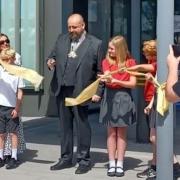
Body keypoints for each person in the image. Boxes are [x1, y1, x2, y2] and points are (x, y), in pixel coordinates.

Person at [47, 13, 103, 174]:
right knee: (64, 127)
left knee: (82, 125)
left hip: (81, 91)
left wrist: (98, 91)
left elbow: (100, 72)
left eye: (74, 27)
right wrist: (50, 62)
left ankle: (84, 160)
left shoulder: (95, 44)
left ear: (83, 26)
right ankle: (65, 158)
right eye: (69, 27)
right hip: (62, 90)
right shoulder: (61, 39)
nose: (71, 30)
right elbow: (51, 57)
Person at [128, 40, 180, 179]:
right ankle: (156, 165)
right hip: (153, 101)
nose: (145, 55)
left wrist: (130, 68)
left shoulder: (159, 65)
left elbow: (148, 71)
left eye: (146, 53)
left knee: (156, 137)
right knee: (154, 138)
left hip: (159, 101)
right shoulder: (156, 64)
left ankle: (172, 164)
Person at [97, 35, 136, 177]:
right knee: (111, 132)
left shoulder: (130, 63)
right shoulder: (106, 62)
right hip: (110, 97)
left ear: (120, 49)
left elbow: (133, 83)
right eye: (109, 48)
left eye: (112, 48)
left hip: (124, 97)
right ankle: (111, 163)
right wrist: (107, 78)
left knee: (122, 133)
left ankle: (120, 163)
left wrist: (116, 81)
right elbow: (107, 78)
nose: (109, 51)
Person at [0, 33, 26, 162]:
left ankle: (12, 154)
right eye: (2, 42)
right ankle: (2, 154)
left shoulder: (16, 57)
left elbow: (19, 84)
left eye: (7, 41)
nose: (5, 43)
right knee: (1, 131)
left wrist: (17, 105)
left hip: (12, 100)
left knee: (13, 130)